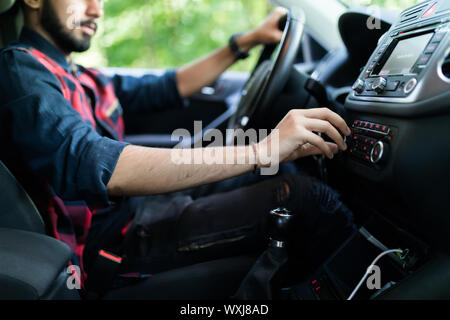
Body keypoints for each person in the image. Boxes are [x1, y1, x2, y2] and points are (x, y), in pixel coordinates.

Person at [0, 0, 355, 299]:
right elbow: (94, 163)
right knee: (307, 200)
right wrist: (263, 149)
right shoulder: (20, 69)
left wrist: (245, 42)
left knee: (283, 171)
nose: (97, 9)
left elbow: (170, 86)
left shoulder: (80, 76)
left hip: (140, 210)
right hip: (114, 245)